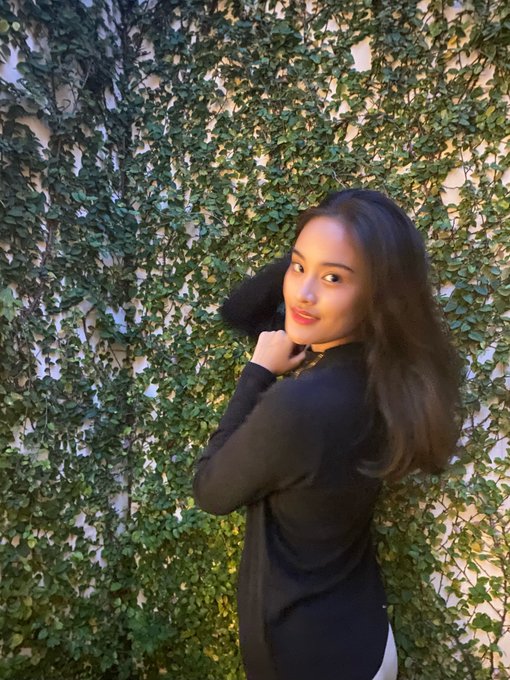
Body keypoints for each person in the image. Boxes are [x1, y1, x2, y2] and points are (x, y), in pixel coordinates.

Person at [193, 188, 461, 680]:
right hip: (365, 637)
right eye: (298, 267)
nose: (303, 294)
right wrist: (325, 250)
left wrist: (257, 372)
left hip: (309, 657)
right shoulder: (389, 373)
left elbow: (210, 490)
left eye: (334, 278)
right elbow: (239, 310)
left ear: (378, 292)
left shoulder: (300, 406)